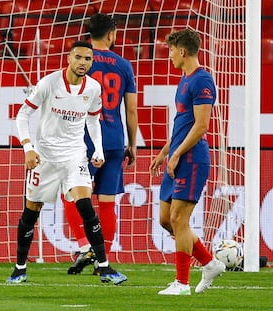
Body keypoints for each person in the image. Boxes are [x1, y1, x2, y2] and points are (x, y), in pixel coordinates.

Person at [6, 40, 127, 285]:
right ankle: (19, 268)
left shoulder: (93, 88)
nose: (83, 63)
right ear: (69, 59)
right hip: (45, 157)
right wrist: (28, 147)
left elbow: (93, 121)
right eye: (79, 57)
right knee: (31, 212)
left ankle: (104, 267)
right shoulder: (49, 83)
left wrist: (99, 150)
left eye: (88, 59)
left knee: (85, 205)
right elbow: (23, 114)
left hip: (75, 155)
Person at [149, 29, 225, 295]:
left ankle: (182, 283)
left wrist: (178, 153)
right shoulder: (185, 79)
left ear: (181, 51)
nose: (169, 55)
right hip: (177, 155)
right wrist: (165, 152)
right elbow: (183, 124)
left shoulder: (202, 80)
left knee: (179, 219)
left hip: (192, 159)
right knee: (165, 220)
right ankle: (210, 262)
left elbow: (202, 126)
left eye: (170, 50)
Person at [63, 13, 138, 275]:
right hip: (115, 139)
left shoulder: (82, 61)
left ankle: (85, 245)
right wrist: (132, 143)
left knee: (70, 194)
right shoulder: (124, 65)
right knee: (107, 201)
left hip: (83, 138)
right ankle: (101, 259)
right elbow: (130, 109)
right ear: (111, 35)